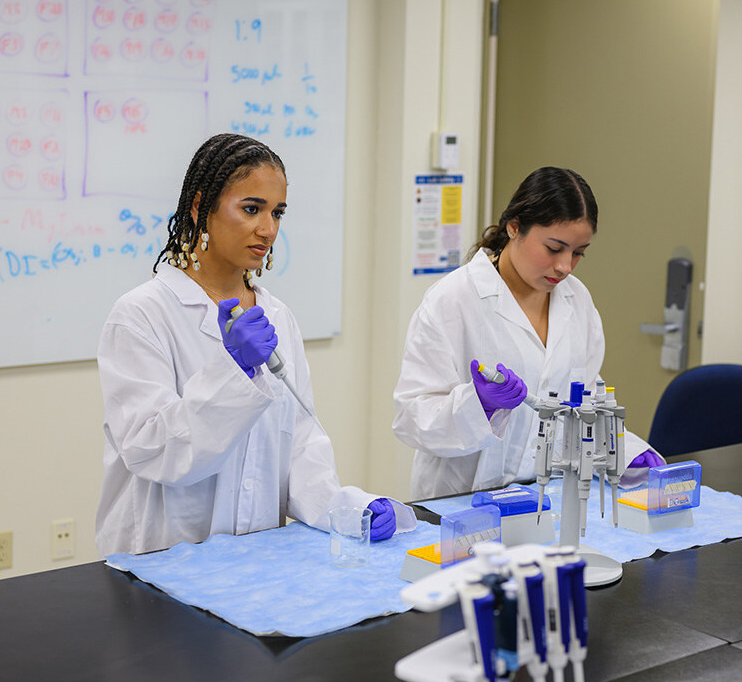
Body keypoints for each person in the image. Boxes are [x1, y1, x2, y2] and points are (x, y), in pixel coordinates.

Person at [96, 133, 413, 555]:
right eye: (251, 209)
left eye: (277, 213)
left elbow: (299, 443)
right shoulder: (142, 314)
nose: (268, 229)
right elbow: (152, 451)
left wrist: (349, 508)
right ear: (200, 207)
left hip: (257, 562)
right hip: (162, 556)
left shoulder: (276, 317)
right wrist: (233, 371)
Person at [393, 166, 664, 500]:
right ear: (514, 226)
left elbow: (583, 403)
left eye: (578, 252)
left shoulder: (577, 300)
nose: (565, 266)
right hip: (461, 500)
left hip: (547, 497)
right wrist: (479, 406)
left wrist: (624, 451)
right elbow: (411, 418)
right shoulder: (452, 300)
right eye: (554, 248)